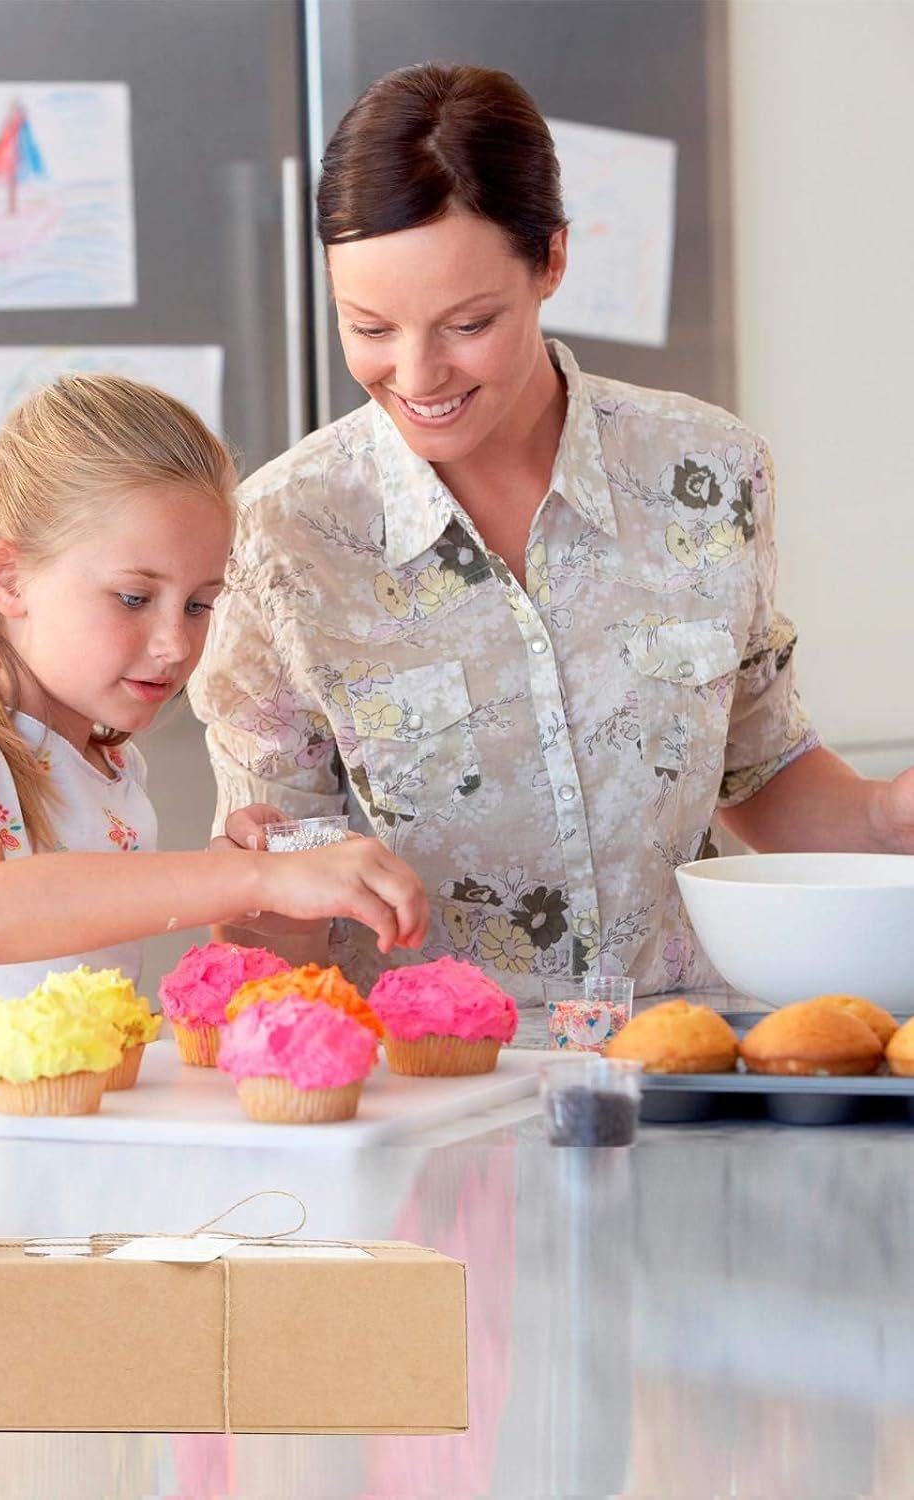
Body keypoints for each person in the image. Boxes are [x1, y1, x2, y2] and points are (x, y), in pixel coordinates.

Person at [192, 63, 914, 1001]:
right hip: (430, 1086)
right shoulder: (278, 537)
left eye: (467, 323)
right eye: (368, 327)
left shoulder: (709, 474)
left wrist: (892, 817)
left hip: (686, 1062)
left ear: (554, 261)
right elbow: (265, 908)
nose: (417, 375)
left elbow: (759, 771)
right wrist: (250, 880)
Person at [0, 374, 427, 1083]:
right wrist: (246, 876)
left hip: (68, 1155)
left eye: (199, 605)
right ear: (7, 579)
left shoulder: (113, 769)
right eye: (134, 598)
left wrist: (266, 903)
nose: (174, 646)